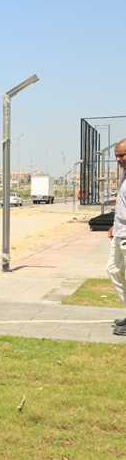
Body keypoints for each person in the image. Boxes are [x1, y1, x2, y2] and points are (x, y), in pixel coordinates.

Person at [107, 138, 126, 336]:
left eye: (123, 155)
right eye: (117, 156)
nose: (119, 159)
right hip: (120, 232)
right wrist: (114, 226)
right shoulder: (124, 175)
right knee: (113, 270)